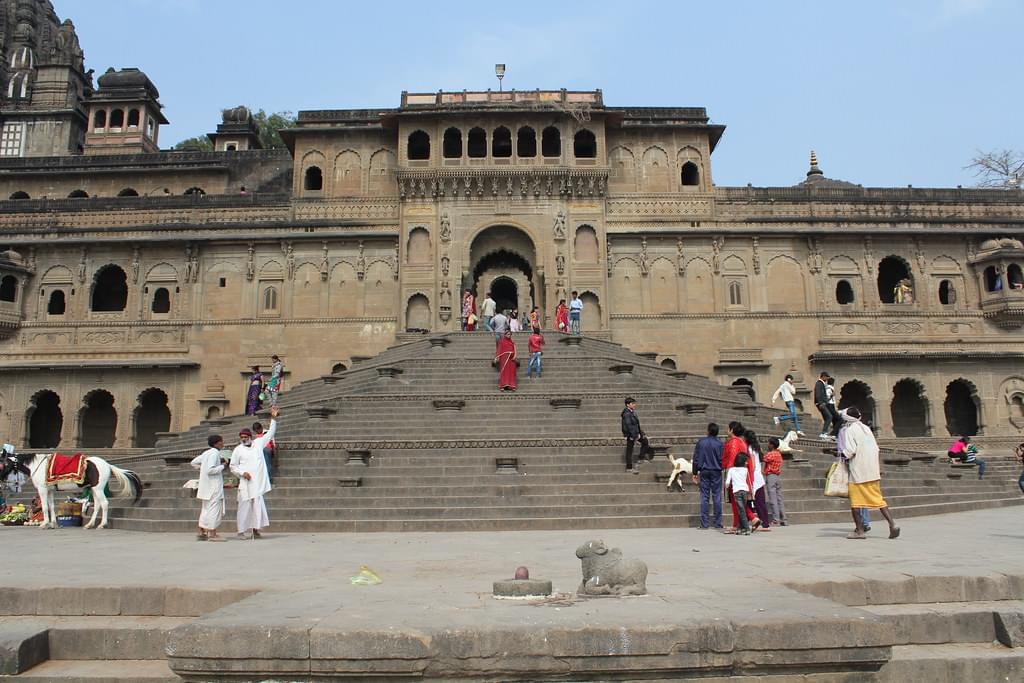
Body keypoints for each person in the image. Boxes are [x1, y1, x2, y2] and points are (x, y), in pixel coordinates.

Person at [841, 407, 899, 540]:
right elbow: (875, 448)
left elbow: (850, 450)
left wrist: (840, 454)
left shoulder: (850, 430)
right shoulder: (866, 429)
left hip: (858, 473)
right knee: (879, 500)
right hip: (872, 471)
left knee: (856, 504)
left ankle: (860, 531)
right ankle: (893, 524)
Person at [230, 405, 279, 540]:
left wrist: (273, 418)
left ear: (250, 437)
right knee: (244, 507)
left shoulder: (258, 443)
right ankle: (241, 531)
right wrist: (242, 473)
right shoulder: (238, 450)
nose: (244, 438)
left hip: (257, 483)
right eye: (242, 437)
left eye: (246, 436)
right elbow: (233, 466)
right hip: (245, 483)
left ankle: (256, 530)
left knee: (258, 507)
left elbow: (270, 434)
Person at [721, 422, 758, 532]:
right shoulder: (742, 442)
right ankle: (749, 520)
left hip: (735, 474)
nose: (727, 431)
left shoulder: (733, 442)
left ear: (731, 430)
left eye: (728, 429)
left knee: (736, 501)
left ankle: (745, 521)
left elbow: (731, 459)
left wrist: (729, 474)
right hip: (742, 474)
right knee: (738, 501)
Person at [190, 435, 226, 541]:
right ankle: (212, 533)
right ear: (216, 443)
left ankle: (202, 531)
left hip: (206, 487)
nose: (223, 443)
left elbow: (193, 462)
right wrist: (223, 466)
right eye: (221, 441)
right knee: (214, 509)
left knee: (206, 509)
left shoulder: (206, 453)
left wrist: (202, 468)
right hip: (213, 487)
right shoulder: (215, 453)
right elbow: (210, 470)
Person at [691, 423, 724, 529]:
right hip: (716, 471)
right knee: (717, 496)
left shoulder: (701, 442)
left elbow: (696, 458)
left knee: (704, 497)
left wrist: (695, 472)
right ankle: (718, 523)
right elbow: (722, 458)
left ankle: (704, 523)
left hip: (704, 470)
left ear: (708, 431)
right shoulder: (719, 444)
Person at [743, 430, 771, 530]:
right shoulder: (757, 448)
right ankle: (764, 523)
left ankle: (748, 522)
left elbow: (753, 465)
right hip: (759, 478)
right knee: (760, 502)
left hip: (753, 478)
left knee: (749, 501)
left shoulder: (749, 449)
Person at [621, 397, 653, 475]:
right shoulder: (627, 414)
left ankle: (641, 458)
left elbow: (636, 425)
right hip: (631, 435)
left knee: (645, 441)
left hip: (635, 433)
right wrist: (634, 436)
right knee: (629, 450)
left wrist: (641, 433)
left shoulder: (631, 412)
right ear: (628, 405)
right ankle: (629, 468)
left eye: (634, 403)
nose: (634, 405)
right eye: (632, 403)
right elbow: (629, 426)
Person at [726, 453, 752, 536]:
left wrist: (727, 487)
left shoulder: (731, 470)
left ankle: (746, 528)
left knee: (741, 511)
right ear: (743, 462)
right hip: (745, 491)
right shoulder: (745, 470)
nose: (747, 463)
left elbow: (727, 482)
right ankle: (739, 528)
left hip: (736, 492)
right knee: (742, 510)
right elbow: (749, 481)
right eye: (746, 461)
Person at [762, 436, 787, 526]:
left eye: (769, 443)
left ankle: (776, 519)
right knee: (779, 498)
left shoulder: (771, 454)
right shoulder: (779, 454)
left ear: (772, 445)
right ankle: (784, 519)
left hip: (771, 476)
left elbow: (763, 458)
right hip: (777, 476)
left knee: (773, 499)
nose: (767, 445)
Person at [813, 371, 834, 440]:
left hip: (822, 403)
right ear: (823, 376)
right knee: (829, 417)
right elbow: (818, 394)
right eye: (827, 377)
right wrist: (820, 403)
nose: (827, 378)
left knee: (826, 418)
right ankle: (823, 433)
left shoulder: (822, 384)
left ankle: (825, 433)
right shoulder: (819, 383)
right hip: (821, 404)